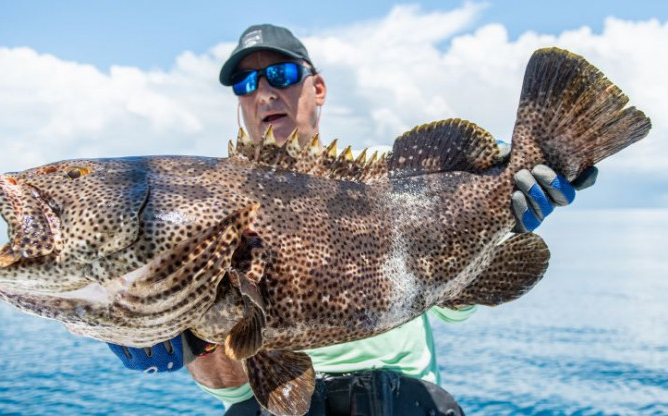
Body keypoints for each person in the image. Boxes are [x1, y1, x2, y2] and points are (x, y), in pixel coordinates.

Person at [108, 24, 597, 415]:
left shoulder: (387, 175)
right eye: (246, 83)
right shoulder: (209, 208)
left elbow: (451, 307)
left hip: (404, 400)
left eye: (280, 74)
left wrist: (502, 214)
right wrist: (191, 339)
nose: (263, 93)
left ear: (317, 88)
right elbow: (235, 391)